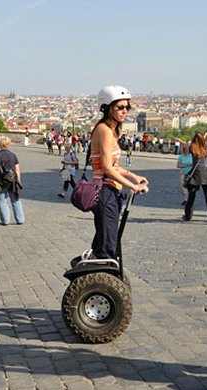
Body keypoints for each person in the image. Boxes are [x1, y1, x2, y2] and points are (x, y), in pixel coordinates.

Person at [88, 85, 148, 260]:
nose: (125, 111)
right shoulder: (104, 130)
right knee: (107, 247)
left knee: (106, 240)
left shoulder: (110, 130)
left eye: (127, 107)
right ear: (107, 108)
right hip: (105, 191)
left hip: (111, 190)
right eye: (120, 107)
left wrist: (133, 176)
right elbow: (106, 168)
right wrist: (132, 186)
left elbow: (113, 165)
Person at [0, 137, 24, 225]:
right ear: (8, 144)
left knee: (2, 200)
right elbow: (17, 169)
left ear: (0, 144)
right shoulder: (13, 155)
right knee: (15, 200)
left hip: (0, 181)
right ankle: (20, 219)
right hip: (12, 179)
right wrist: (18, 180)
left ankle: (5, 220)